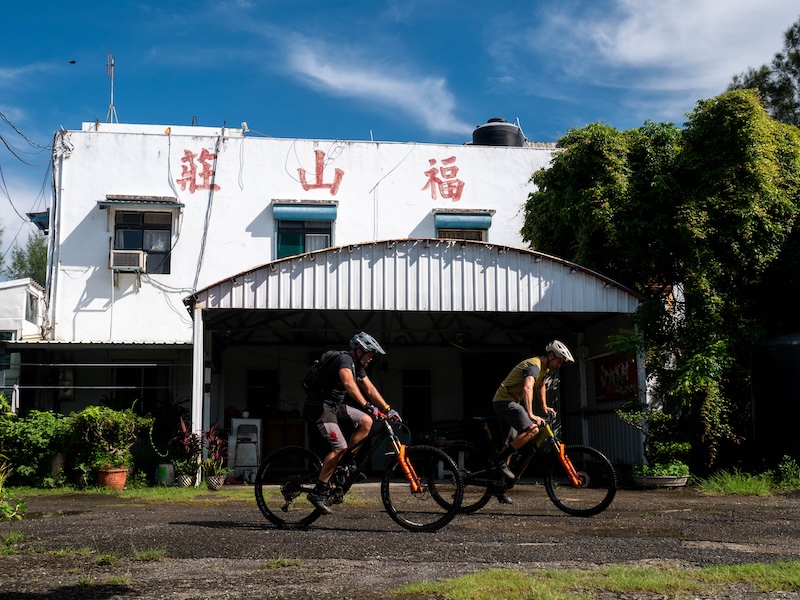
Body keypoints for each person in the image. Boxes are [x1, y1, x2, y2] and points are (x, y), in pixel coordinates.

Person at [302, 331, 399, 514]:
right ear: (360, 350)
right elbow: (348, 383)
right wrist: (366, 405)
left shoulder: (358, 365)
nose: (372, 358)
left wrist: (386, 408)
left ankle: (347, 463)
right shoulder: (344, 360)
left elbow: (369, 388)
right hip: (320, 407)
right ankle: (319, 492)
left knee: (366, 421)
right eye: (370, 353)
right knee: (339, 447)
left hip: (335, 406)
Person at [491, 339, 575, 504]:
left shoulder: (543, 369)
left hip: (511, 402)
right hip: (504, 401)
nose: (559, 365)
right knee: (533, 429)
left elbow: (540, 385)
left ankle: (499, 489)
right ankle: (500, 460)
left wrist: (544, 406)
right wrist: (531, 414)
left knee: (509, 443)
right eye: (558, 361)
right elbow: (528, 387)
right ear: (550, 355)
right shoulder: (534, 366)